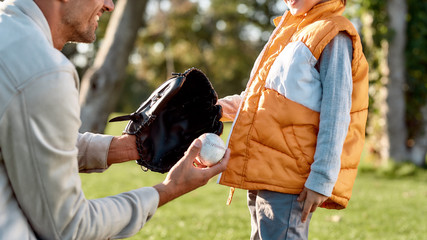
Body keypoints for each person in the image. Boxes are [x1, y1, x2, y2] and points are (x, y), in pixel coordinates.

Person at [0, 0, 230, 239]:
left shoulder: (7, 33)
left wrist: (130, 147)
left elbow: (29, 143)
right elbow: (70, 228)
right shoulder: (43, 69)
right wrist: (170, 189)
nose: (109, 5)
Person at [217, 0, 369, 239]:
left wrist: (321, 179)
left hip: (291, 176)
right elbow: (260, 99)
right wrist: (215, 108)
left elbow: (337, 112)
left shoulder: (333, 33)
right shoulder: (290, 32)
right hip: (263, 168)